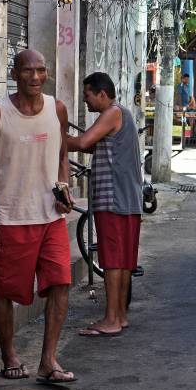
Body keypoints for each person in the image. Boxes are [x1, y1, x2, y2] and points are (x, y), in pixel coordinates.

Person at [0, 49, 75, 384]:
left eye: (41, 70)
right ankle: (9, 355)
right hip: (10, 218)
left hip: (51, 218)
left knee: (61, 283)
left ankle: (49, 360)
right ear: (14, 73)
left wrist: (64, 188)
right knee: (7, 292)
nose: (35, 77)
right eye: (28, 71)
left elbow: (62, 154)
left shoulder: (57, 109)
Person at [67, 73, 143, 337]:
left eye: (87, 95)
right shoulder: (122, 114)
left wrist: (50, 136)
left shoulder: (111, 112)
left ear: (101, 93)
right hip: (128, 199)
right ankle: (119, 316)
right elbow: (94, 146)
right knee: (121, 261)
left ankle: (110, 319)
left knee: (112, 261)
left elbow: (83, 142)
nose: (85, 101)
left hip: (113, 199)